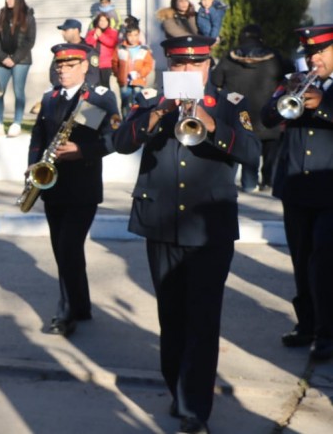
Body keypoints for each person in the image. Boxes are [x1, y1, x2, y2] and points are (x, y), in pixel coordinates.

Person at [113, 35, 261, 434]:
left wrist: (210, 125)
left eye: (193, 66)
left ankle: (196, 408)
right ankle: (177, 390)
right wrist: (157, 113)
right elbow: (120, 142)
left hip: (208, 229)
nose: (185, 73)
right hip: (160, 223)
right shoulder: (150, 101)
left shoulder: (230, 104)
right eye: (178, 66)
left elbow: (251, 153)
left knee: (203, 320)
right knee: (171, 317)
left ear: (207, 66)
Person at [27, 43, 119, 337]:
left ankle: (65, 312)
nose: (62, 70)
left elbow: (111, 138)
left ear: (84, 67)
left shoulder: (98, 98)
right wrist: (33, 167)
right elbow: (39, 138)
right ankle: (81, 305)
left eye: (69, 66)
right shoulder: (50, 97)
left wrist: (81, 150)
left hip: (82, 186)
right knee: (63, 249)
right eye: (59, 65)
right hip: (52, 185)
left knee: (68, 246)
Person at [261, 24, 333, 362]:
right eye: (309, 53)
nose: (313, 58)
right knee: (301, 259)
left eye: (320, 51)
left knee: (324, 261)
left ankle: (327, 333)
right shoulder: (296, 82)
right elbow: (267, 117)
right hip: (295, 185)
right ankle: (306, 324)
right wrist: (284, 97)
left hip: (329, 191)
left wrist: (320, 106)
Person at [211, 24, 293, 191]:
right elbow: (291, 72)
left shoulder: (230, 57)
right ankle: (268, 180)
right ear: (260, 38)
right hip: (268, 112)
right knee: (270, 148)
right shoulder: (274, 57)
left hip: (240, 112)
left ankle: (249, 183)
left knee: (246, 146)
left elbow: (216, 80)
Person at [0, 0, 36, 138]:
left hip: (21, 60)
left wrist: (14, 59)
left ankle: (17, 123)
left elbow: (29, 41)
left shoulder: (28, 16)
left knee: (18, 91)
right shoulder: (2, 15)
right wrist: (2, 57)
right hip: (2, 60)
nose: (7, 0)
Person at [116, 24, 155, 116]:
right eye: (130, 35)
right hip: (125, 80)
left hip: (138, 80)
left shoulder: (144, 49)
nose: (133, 38)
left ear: (138, 35)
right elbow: (115, 63)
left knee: (137, 99)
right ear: (126, 35)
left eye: (135, 35)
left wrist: (140, 73)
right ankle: (126, 119)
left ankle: (135, 119)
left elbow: (148, 64)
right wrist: (119, 74)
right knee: (125, 100)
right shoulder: (120, 48)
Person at [85, 12, 120, 89]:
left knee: (105, 86)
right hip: (94, 63)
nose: (103, 22)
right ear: (97, 21)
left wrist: (100, 35)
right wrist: (95, 36)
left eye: (105, 20)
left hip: (106, 64)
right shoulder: (92, 32)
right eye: (101, 20)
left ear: (108, 22)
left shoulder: (113, 32)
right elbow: (88, 43)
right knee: (95, 87)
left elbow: (111, 43)